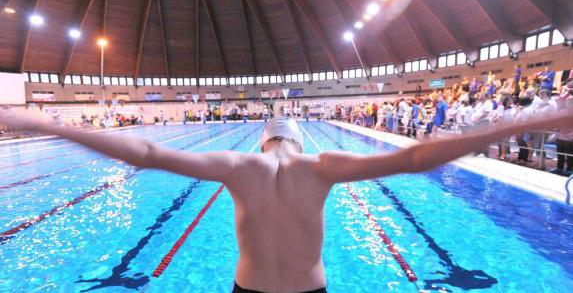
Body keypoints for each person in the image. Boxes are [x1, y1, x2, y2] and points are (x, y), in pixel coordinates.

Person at [3, 110, 571, 293]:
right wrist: (540, 118)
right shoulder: (322, 166)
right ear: (298, 139)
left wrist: (40, 121)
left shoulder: (237, 166)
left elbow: (145, 151)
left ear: (263, 139)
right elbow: (418, 158)